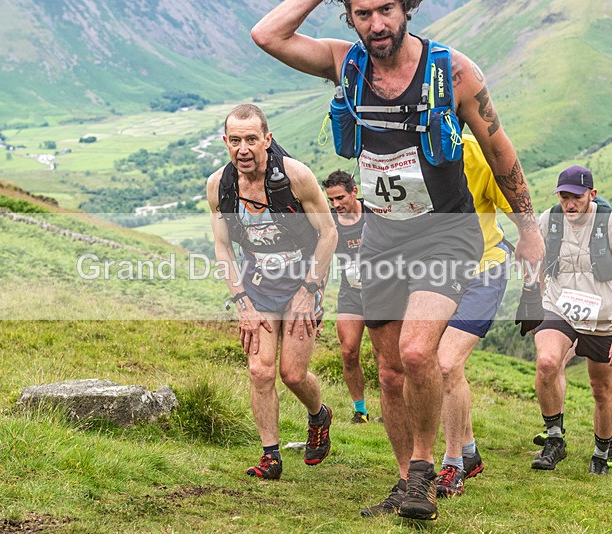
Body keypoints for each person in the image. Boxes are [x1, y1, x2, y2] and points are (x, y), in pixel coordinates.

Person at [253, 0, 544, 520]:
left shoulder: (451, 71)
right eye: (362, 13)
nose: (377, 25)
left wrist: (529, 231)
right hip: (383, 235)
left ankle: (425, 472)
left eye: (386, 8)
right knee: (388, 373)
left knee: (415, 354)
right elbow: (267, 35)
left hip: (444, 235)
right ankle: (404, 482)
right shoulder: (347, 64)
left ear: (407, 7)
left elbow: (501, 153)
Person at [207, 104, 338, 480]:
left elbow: (329, 233)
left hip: (303, 278)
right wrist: (240, 300)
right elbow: (222, 247)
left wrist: (309, 290)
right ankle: (271, 456)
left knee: (293, 375)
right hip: (258, 284)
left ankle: (319, 414)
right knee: (259, 370)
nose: (243, 149)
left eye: (251, 140)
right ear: (225, 142)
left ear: (267, 139)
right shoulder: (219, 185)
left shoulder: (296, 176)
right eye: (235, 141)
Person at [530, 165, 612, 475]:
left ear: (591, 195)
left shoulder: (611, 223)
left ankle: (601, 452)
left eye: (576, 198)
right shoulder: (549, 221)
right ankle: (554, 439)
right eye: (564, 197)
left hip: (603, 319)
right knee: (547, 363)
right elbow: (536, 262)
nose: (569, 204)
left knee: (602, 390)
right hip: (559, 308)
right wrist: (532, 302)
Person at [434, 135, 515, 498]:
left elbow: (518, 206)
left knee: (447, 363)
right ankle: (469, 452)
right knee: (442, 367)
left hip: (485, 267)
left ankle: (453, 466)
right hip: (435, 273)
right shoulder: (408, 149)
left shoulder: (475, 153)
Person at [532, 274, 612, 468]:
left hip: (607, 325)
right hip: (573, 320)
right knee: (554, 364)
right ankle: (555, 428)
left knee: (607, 390)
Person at [322, 170, 372, 424]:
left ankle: (395, 408)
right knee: (349, 351)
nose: (336, 205)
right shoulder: (330, 222)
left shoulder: (374, 213)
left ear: (354, 191)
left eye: (340, 198)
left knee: (388, 356)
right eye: (331, 200)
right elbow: (320, 262)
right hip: (351, 292)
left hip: (383, 293)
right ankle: (360, 411)